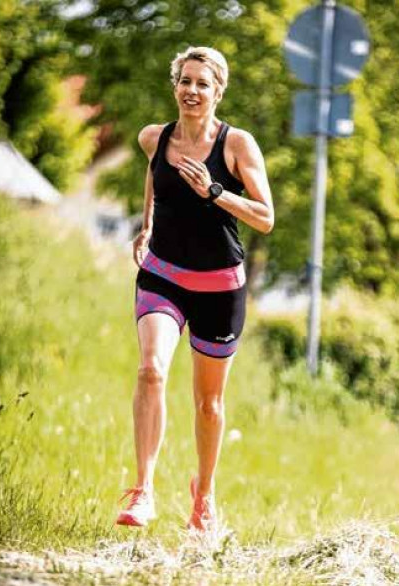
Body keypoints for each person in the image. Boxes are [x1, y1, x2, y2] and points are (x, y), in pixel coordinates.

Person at [116, 46, 274, 532]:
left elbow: (266, 218)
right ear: (175, 86)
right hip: (162, 276)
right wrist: (147, 223)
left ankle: (203, 496)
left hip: (219, 288)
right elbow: (155, 175)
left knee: (209, 405)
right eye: (185, 81)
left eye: (203, 83)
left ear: (218, 91)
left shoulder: (236, 146)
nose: (192, 90)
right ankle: (143, 491)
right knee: (150, 369)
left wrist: (216, 192)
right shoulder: (154, 138)